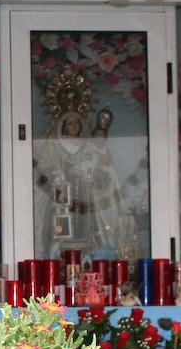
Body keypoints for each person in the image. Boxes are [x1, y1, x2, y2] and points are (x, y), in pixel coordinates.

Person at [33, 108, 124, 260]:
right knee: (60, 228)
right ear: (63, 126)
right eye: (69, 123)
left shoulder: (88, 145)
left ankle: (85, 258)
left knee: (87, 226)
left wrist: (90, 173)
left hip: (84, 194)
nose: (74, 126)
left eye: (76, 122)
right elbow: (44, 168)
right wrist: (57, 175)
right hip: (62, 195)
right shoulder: (54, 145)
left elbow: (101, 167)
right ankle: (58, 258)